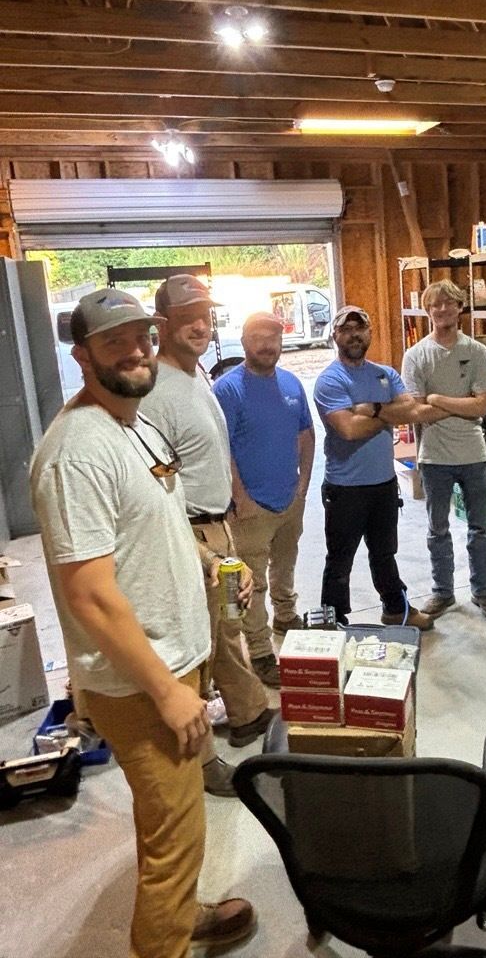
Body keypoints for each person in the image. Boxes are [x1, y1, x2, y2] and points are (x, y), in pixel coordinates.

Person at [29, 288, 254, 958]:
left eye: (140, 338)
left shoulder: (136, 424)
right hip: (139, 681)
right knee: (174, 837)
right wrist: (165, 689)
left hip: (175, 653)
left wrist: (200, 558)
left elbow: (157, 510)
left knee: (172, 822)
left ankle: (184, 910)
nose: (134, 352)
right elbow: (91, 596)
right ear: (82, 355)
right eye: (113, 342)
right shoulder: (76, 453)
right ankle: (168, 936)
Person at [141, 274, 277, 780]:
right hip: (191, 537)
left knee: (225, 628)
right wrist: (196, 544)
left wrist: (231, 500)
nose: (200, 325)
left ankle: (246, 715)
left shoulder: (196, 373)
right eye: (186, 318)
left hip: (219, 529)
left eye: (205, 315)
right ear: (162, 324)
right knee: (196, 645)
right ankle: (198, 761)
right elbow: (156, 484)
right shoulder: (155, 390)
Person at [314, 305, 445, 630]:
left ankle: (394, 608)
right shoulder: (330, 380)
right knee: (340, 559)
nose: (354, 335)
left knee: (384, 554)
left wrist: (371, 409)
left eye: (361, 328)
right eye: (346, 329)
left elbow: (410, 410)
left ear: (370, 333)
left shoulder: (384, 374)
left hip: (384, 484)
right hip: (345, 488)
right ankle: (334, 619)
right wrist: (389, 413)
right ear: (335, 336)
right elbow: (348, 430)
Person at [213, 311, 314, 688]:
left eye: (274, 337)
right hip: (250, 507)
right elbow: (221, 449)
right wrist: (240, 496)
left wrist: (302, 485)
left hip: (289, 499)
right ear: (243, 342)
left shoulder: (290, 384)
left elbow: (305, 435)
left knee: (285, 566)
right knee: (250, 584)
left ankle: (285, 616)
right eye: (258, 336)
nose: (267, 344)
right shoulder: (227, 389)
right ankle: (259, 652)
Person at [402, 279, 486, 621]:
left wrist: (438, 399)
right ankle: (442, 592)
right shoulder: (416, 355)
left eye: (449, 303)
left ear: (460, 307)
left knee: (479, 528)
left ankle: (482, 590)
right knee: (437, 529)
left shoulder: (476, 352)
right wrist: (463, 403)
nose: (442, 309)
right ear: (427, 310)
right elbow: (417, 412)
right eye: (435, 305)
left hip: (472, 454)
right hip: (434, 457)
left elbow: (482, 408)